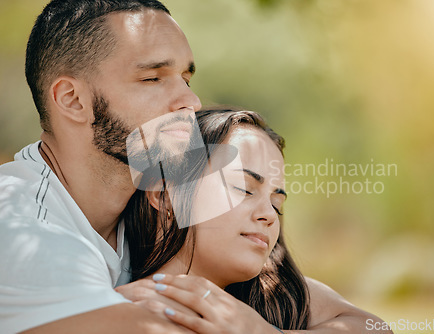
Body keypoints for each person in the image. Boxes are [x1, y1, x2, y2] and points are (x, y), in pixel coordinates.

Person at [0, 0, 391, 333]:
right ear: (72, 100)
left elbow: (370, 325)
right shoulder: (22, 229)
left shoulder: (154, 223)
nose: (190, 99)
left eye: (186, 77)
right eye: (153, 78)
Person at [118, 108, 393, 333]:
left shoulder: (277, 297)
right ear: (166, 196)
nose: (270, 215)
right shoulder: (112, 308)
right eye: (244, 188)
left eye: (277, 203)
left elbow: (375, 328)